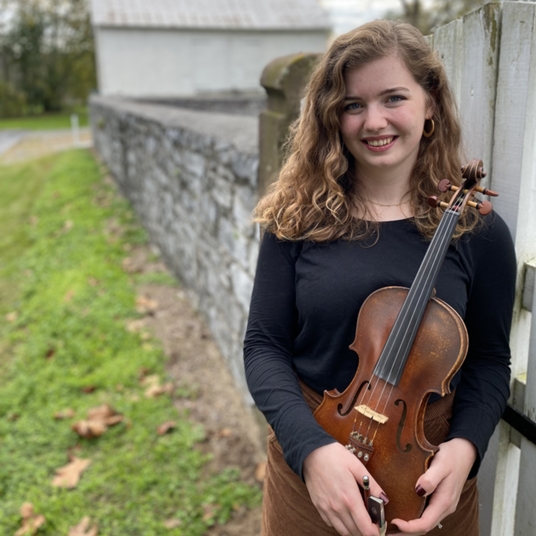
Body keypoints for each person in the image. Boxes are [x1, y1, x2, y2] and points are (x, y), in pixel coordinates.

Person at [243, 19, 516, 536]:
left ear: (429, 102)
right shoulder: (297, 219)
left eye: (393, 98)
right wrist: (313, 453)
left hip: (427, 476)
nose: (374, 121)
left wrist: (465, 450)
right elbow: (262, 346)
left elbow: (488, 361)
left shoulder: (477, 232)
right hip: (310, 469)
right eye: (353, 105)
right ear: (332, 115)